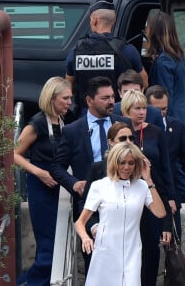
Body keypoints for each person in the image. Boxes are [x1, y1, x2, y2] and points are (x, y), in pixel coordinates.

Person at [49, 76, 130, 272]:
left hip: (124, 202)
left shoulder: (123, 126)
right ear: (89, 100)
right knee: (94, 264)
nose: (111, 101)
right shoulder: (73, 130)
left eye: (112, 97)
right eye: (105, 98)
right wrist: (74, 183)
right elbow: (56, 167)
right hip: (91, 206)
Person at [75, 142, 166, 286]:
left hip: (132, 252)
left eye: (131, 163)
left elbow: (160, 213)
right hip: (106, 252)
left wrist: (148, 180)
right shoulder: (99, 186)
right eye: (122, 162)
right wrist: (86, 238)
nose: (126, 167)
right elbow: (80, 222)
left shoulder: (142, 186)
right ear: (114, 162)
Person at [14, 77, 72, 286]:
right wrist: (39, 172)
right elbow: (14, 154)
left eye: (70, 98)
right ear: (52, 97)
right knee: (49, 247)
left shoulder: (65, 120)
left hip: (60, 187)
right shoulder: (37, 123)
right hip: (41, 186)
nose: (69, 102)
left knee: (55, 246)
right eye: (65, 98)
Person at [121, 89, 175, 285]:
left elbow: (165, 169)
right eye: (137, 108)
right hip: (126, 196)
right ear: (127, 110)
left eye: (144, 108)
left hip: (152, 193)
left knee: (151, 251)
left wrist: (170, 201)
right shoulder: (121, 133)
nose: (142, 112)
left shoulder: (155, 131)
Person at [65, 0, 148, 114]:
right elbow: (144, 82)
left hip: (86, 117)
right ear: (114, 21)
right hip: (118, 116)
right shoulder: (127, 50)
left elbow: (68, 87)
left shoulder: (76, 51)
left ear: (94, 20)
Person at [146, 85, 185, 237]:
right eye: (157, 109)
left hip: (172, 185)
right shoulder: (139, 129)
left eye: (164, 109)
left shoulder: (177, 126)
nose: (161, 113)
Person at [146, 10, 185, 128]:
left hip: (172, 119)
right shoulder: (178, 56)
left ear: (154, 32)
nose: (146, 31)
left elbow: (164, 97)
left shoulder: (163, 62)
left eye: (148, 27)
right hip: (184, 116)